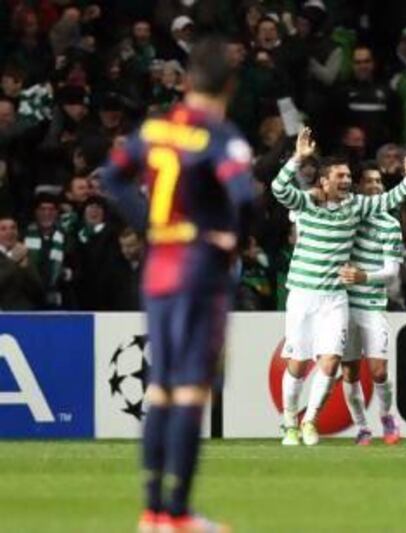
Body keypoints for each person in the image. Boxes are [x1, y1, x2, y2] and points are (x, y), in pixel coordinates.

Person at [102, 37, 256, 533]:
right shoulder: (221, 135)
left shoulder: (154, 129)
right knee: (191, 391)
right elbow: (244, 196)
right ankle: (178, 513)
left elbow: (113, 177)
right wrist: (231, 239)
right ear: (229, 85)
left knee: (162, 389)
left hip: (159, 269)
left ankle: (152, 510)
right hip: (199, 272)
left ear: (186, 82)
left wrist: (151, 225)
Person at [271, 127, 406, 447]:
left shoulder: (355, 205)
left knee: (332, 360)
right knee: (297, 363)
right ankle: (288, 423)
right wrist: (298, 158)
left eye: (348, 176)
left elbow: (386, 201)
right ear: (323, 181)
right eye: (340, 176)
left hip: (335, 298)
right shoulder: (307, 204)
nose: (346, 180)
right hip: (303, 295)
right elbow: (278, 188)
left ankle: (309, 421)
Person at [338, 162, 405, 446]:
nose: (375, 186)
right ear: (358, 188)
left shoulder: (391, 225)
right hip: (342, 305)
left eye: (379, 182)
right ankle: (362, 427)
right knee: (350, 372)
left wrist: (364, 275)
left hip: (373, 305)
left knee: (379, 370)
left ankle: (387, 416)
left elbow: (392, 273)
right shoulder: (345, 218)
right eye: (369, 181)